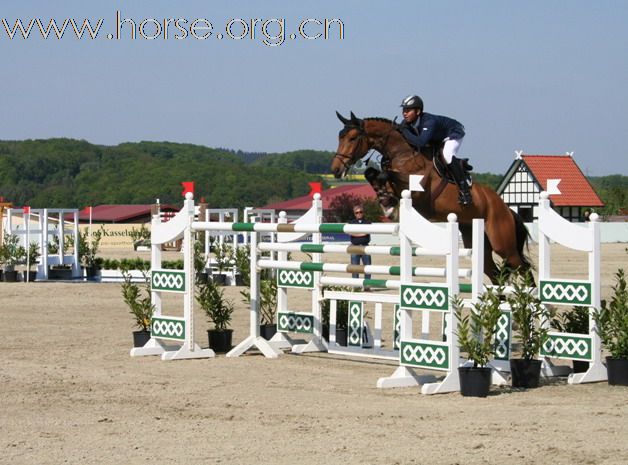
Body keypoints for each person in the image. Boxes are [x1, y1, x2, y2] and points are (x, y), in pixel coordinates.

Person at [398, 94, 472, 206]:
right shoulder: (406, 124)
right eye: (404, 110)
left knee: (447, 155)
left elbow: (420, 142)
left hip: (453, 132)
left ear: (418, 112)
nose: (404, 113)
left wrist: (404, 131)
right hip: (436, 138)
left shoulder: (429, 122)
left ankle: (464, 189)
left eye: (408, 110)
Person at [348, 205, 372, 284]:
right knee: (355, 267)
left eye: (360, 212)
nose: (359, 214)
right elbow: (350, 233)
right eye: (357, 212)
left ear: (363, 213)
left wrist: (357, 233)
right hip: (355, 247)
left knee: (368, 267)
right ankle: (356, 286)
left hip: (365, 246)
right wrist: (362, 233)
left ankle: (367, 285)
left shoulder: (368, 222)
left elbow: (367, 232)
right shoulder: (351, 223)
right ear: (354, 214)